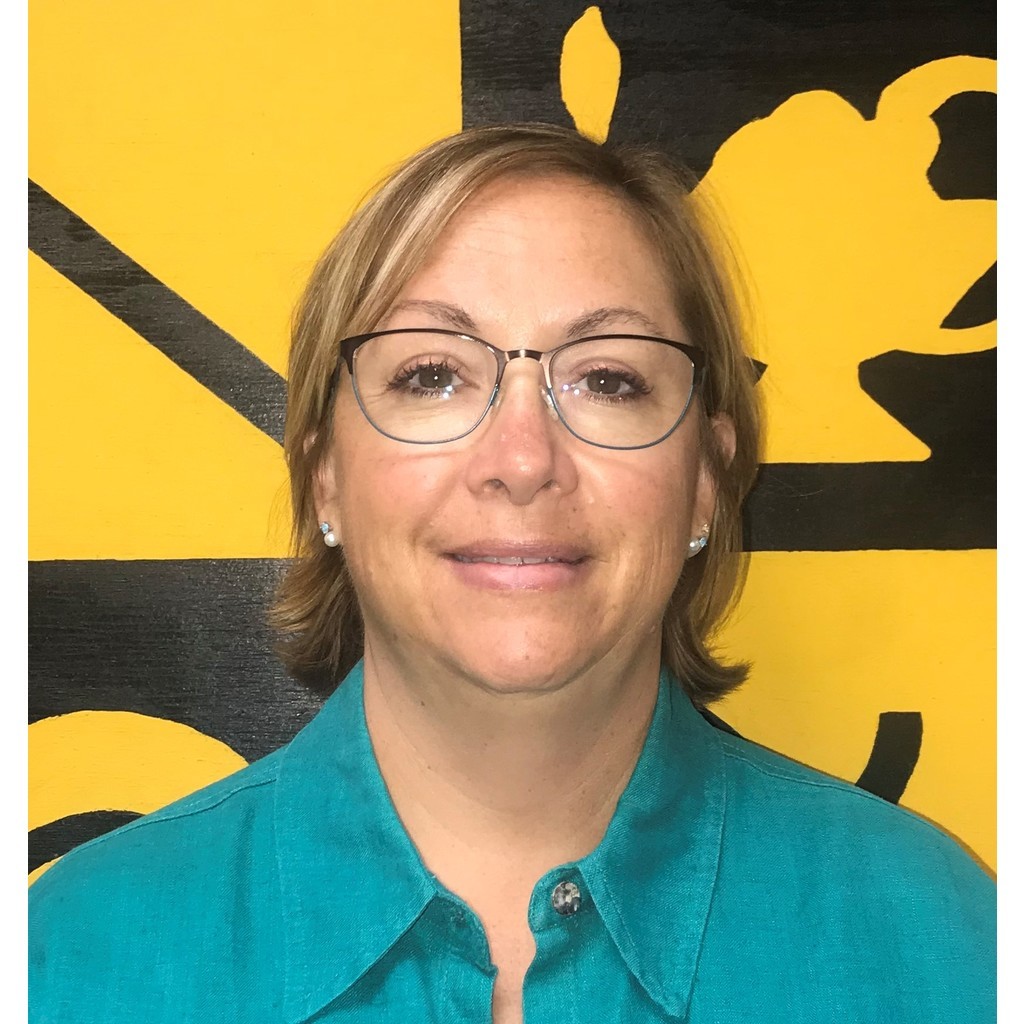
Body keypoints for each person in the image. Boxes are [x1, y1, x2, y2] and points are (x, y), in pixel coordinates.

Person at [29, 123, 994, 1024]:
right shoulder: (69, 959)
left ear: (706, 482)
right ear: (325, 476)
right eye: (432, 375)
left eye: (608, 379)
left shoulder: (946, 943)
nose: (524, 459)